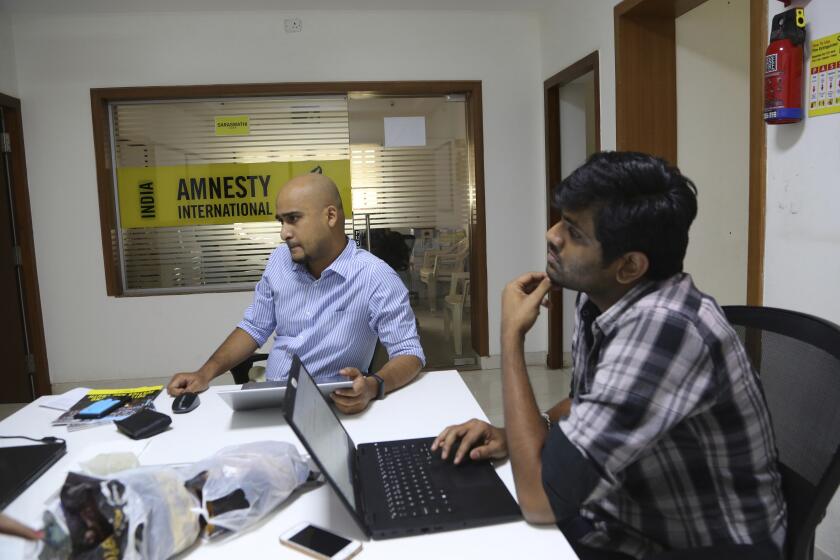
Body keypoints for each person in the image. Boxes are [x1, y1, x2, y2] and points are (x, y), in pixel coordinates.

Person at [432, 152, 787, 559]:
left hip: (704, 543)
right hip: (626, 509)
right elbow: (589, 402)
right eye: (560, 220)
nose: (552, 235)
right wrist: (520, 433)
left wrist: (510, 336)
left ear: (630, 266)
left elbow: (539, 501)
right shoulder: (601, 299)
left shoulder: (664, 330)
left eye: (574, 232)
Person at [167, 173, 425, 414]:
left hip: (332, 408)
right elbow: (254, 326)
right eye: (281, 221)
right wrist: (204, 373)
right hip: (272, 400)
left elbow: (409, 352)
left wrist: (373, 385)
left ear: (331, 216)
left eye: (293, 219)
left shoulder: (375, 277)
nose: (284, 232)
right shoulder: (280, 260)